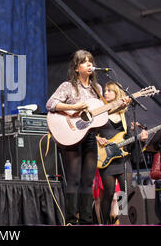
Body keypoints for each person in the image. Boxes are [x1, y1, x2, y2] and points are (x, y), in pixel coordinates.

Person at [46, 50, 127, 225]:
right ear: (76, 68)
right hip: (72, 137)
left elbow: (100, 114)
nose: (89, 64)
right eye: (84, 62)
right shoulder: (67, 86)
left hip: (90, 137)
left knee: (88, 180)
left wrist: (119, 105)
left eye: (91, 61)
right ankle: (71, 220)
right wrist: (75, 106)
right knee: (73, 179)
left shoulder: (97, 89)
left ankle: (87, 220)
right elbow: (50, 103)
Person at [94, 82, 148, 224]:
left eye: (110, 91)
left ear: (117, 93)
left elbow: (129, 136)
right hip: (107, 158)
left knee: (125, 193)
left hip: (123, 158)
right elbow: (90, 133)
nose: (106, 93)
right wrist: (97, 138)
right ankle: (104, 223)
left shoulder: (126, 114)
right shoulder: (101, 112)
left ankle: (123, 221)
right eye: (105, 90)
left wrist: (140, 139)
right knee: (108, 194)